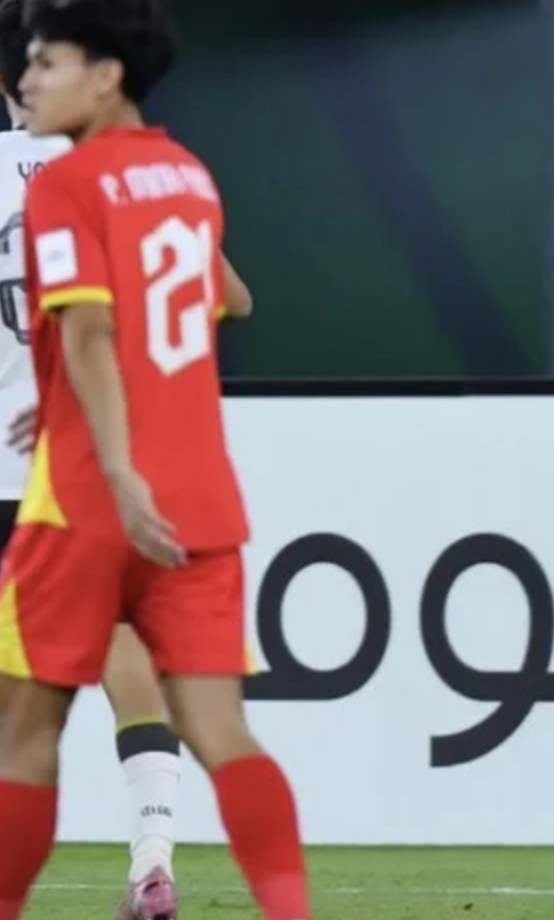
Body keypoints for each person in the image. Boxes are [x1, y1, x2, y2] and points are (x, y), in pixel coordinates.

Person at [0, 1, 309, 919]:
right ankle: (165, 862)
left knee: (25, 733)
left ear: (100, 75)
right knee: (212, 723)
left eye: (49, 63)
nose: (35, 79)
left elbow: (89, 330)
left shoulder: (64, 179)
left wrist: (92, 433)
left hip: (73, 484)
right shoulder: (186, 176)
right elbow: (226, 300)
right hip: (187, 491)